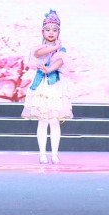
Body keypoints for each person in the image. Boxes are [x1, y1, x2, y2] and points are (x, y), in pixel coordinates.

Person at [21, 9, 73, 164]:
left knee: (55, 120)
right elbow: (38, 54)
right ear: (42, 31)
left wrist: (49, 69)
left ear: (58, 32)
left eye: (54, 30)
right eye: (48, 30)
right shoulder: (38, 48)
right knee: (42, 120)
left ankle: (55, 154)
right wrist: (55, 47)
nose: (51, 33)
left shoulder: (62, 50)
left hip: (55, 85)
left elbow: (59, 62)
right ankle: (42, 154)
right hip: (41, 85)